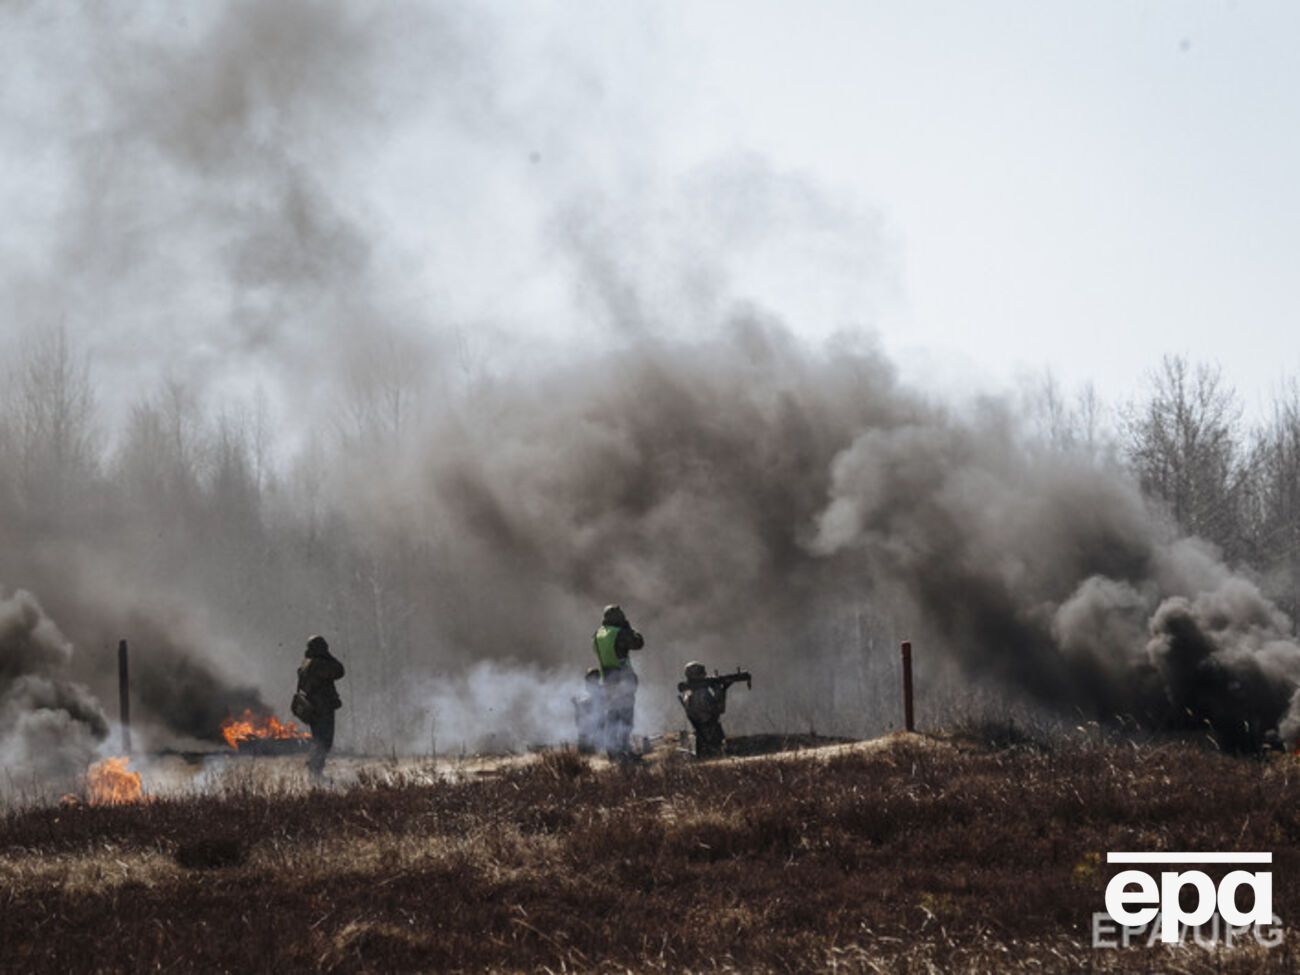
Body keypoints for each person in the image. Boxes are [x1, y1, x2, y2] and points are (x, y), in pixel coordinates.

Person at [591, 604, 644, 759]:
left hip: (607, 679)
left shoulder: (597, 635)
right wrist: (629, 629)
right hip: (622, 679)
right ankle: (624, 750)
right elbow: (638, 643)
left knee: (612, 715)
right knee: (625, 715)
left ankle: (612, 750)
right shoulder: (619, 633)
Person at [296, 635, 345, 778]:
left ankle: (315, 769)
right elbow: (339, 670)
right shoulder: (319, 664)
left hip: (313, 709)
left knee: (319, 740)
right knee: (324, 741)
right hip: (323, 708)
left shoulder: (306, 663)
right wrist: (328, 656)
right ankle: (315, 770)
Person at [678, 661, 728, 758]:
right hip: (710, 735)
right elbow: (720, 709)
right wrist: (720, 690)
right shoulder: (703, 693)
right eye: (703, 674)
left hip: (701, 734)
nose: (706, 676)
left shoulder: (687, 693)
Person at [572, 668, 604, 754]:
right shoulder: (590, 691)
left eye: (590, 679)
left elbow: (597, 704)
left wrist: (580, 704)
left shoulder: (601, 690)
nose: (588, 682)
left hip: (598, 726)